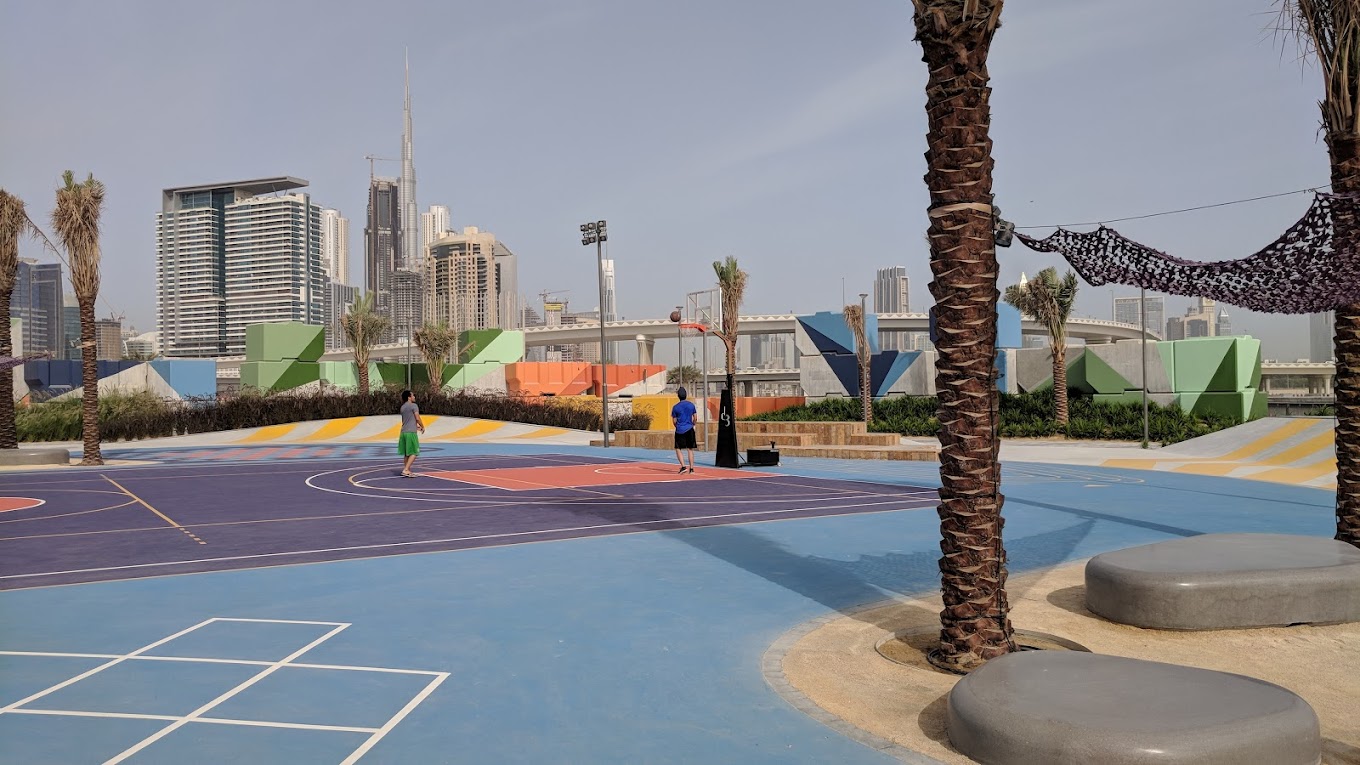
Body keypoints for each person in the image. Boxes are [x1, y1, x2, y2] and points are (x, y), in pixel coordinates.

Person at [398, 389, 425, 477]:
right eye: (413, 395)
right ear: (409, 397)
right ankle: (406, 469)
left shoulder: (402, 407)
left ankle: (407, 470)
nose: (414, 397)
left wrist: (416, 427)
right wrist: (422, 426)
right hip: (411, 433)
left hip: (403, 432)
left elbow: (407, 420)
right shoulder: (414, 406)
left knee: (407, 453)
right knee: (414, 452)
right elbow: (417, 418)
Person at [672, 386, 698, 474]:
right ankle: (691, 468)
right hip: (689, 429)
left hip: (680, 430)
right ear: (686, 395)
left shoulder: (675, 407)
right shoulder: (691, 405)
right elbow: (695, 417)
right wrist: (693, 424)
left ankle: (683, 466)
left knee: (678, 448)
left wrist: (677, 426)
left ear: (678, 396)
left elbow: (674, 421)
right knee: (690, 449)